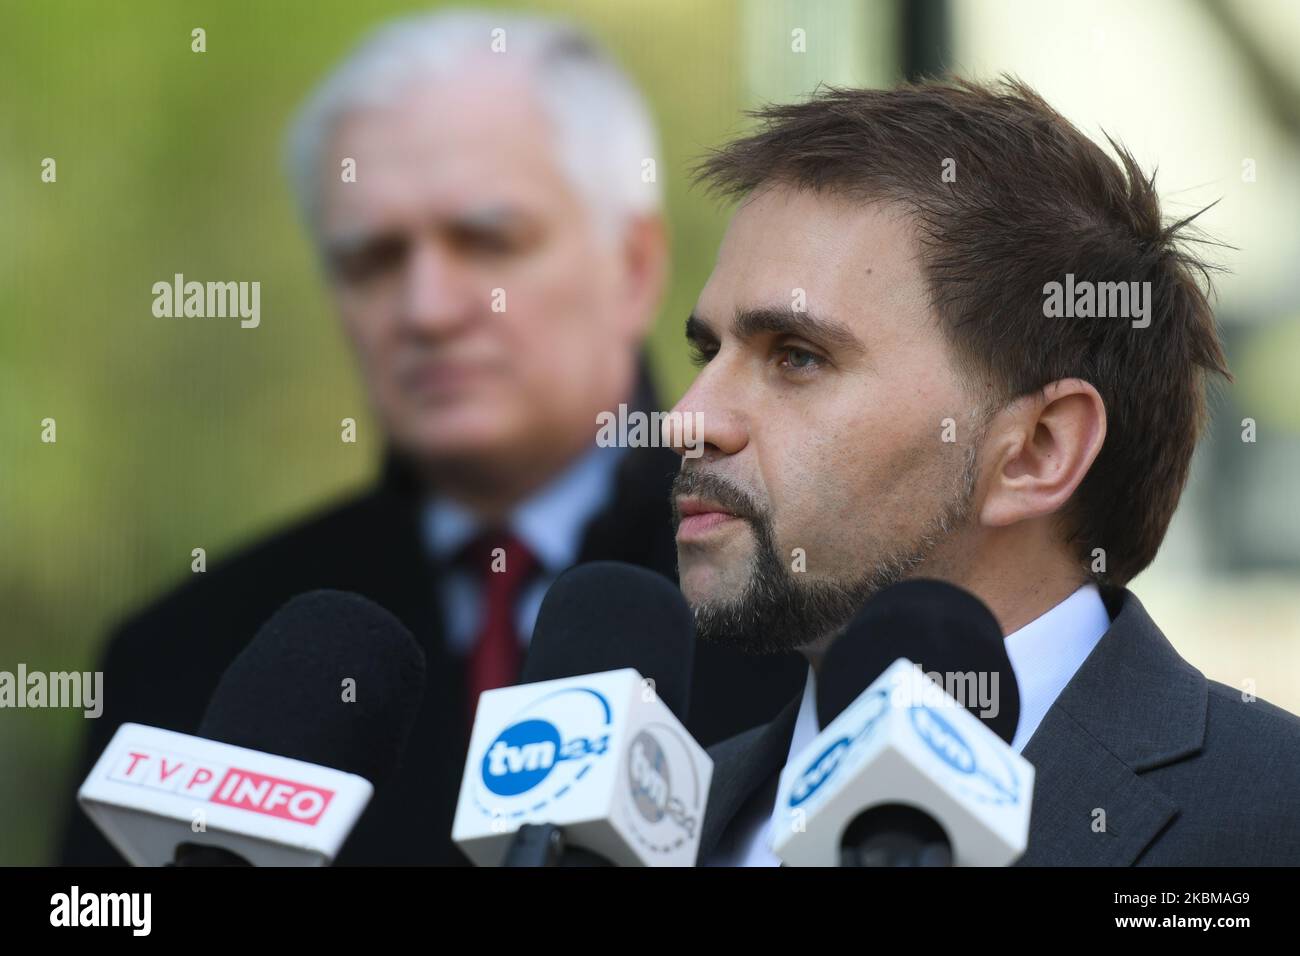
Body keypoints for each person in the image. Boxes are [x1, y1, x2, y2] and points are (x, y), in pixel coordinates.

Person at [57, 9, 803, 866]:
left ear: (633, 268)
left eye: (486, 241)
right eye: (373, 260)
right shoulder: (185, 656)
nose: (428, 309)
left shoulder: (812, 612)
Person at [666, 78, 1300, 866]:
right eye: (707, 352)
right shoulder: (660, 829)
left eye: (797, 356)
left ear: (1038, 450)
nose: (687, 417)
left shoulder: (1273, 821)